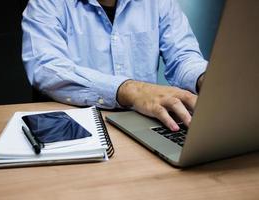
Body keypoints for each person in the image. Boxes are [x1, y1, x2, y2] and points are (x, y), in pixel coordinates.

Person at [22, 0, 207, 131]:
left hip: (145, 125)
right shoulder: (46, 3)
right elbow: (45, 67)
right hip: (78, 130)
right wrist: (131, 91)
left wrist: (206, 78)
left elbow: (183, 56)